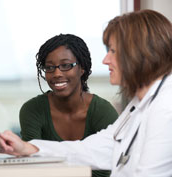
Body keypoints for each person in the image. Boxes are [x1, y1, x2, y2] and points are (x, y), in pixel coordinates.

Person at [0, 9, 172, 177]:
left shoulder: (165, 107)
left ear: (139, 53)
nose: (105, 60)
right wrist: (29, 148)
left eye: (113, 51)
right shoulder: (139, 105)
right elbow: (92, 149)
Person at [18, 34, 118, 177]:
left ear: (82, 68)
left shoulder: (103, 112)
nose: (57, 73)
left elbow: (106, 170)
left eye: (66, 65)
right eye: (50, 67)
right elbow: (32, 167)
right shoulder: (32, 110)